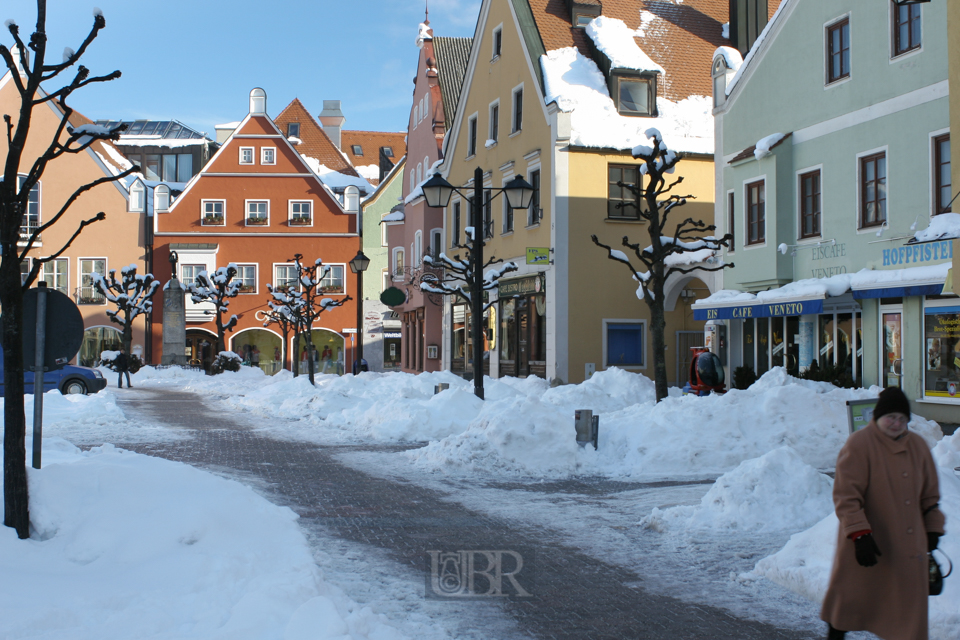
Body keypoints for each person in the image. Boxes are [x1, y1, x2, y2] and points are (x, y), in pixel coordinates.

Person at [821, 386, 946, 640]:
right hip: (868, 545)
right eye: (891, 417)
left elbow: (930, 495)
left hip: (907, 550)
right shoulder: (859, 444)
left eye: (902, 419)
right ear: (877, 416)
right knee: (849, 605)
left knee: (906, 617)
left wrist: (933, 529)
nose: (896, 423)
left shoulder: (918, 447)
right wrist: (859, 533)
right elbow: (846, 496)